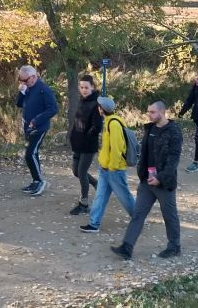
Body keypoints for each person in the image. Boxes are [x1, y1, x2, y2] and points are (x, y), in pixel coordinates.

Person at [110, 101, 182, 260]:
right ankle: (127, 247)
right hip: (147, 181)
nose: (149, 115)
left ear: (162, 112)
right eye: (148, 112)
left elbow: (173, 160)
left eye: (153, 112)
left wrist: (160, 178)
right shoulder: (150, 129)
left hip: (164, 183)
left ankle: (174, 246)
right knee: (138, 214)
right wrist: (143, 174)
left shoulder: (174, 131)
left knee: (169, 215)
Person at [80, 96, 135, 233]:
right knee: (100, 196)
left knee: (125, 196)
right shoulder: (109, 121)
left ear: (101, 109)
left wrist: (112, 168)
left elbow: (117, 148)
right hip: (106, 168)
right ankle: (94, 224)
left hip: (114, 169)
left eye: (98, 106)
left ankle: (138, 217)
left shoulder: (114, 124)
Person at [16, 65, 59, 196]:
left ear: (34, 77)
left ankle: (40, 181)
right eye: (21, 80)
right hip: (28, 127)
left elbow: (53, 109)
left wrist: (36, 120)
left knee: (30, 153)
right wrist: (21, 92)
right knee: (31, 154)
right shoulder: (28, 88)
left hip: (40, 127)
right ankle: (36, 180)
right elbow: (19, 104)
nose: (23, 83)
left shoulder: (44, 89)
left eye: (25, 80)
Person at [68, 75, 102, 215]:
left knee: (81, 172)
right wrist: (73, 135)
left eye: (86, 87)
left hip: (88, 145)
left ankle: (84, 204)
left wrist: (88, 135)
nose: (84, 90)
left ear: (92, 87)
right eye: (81, 87)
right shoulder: (82, 101)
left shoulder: (95, 104)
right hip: (77, 143)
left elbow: (97, 126)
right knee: (76, 171)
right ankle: (97, 184)